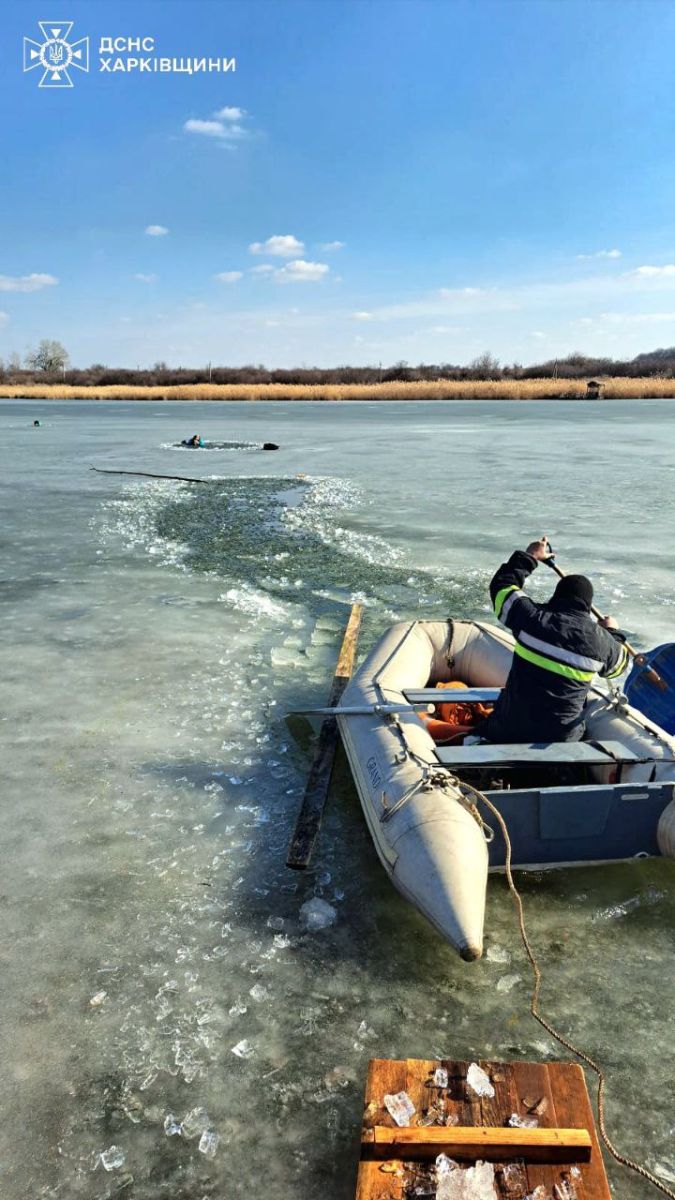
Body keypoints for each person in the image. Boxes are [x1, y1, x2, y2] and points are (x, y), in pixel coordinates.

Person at [479, 536, 629, 744]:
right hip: (560, 739)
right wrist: (613, 633)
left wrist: (531, 556)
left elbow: (503, 587)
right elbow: (619, 666)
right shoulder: (601, 642)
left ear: (556, 597)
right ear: (587, 608)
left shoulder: (532, 619)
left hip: (509, 728)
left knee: (486, 726)